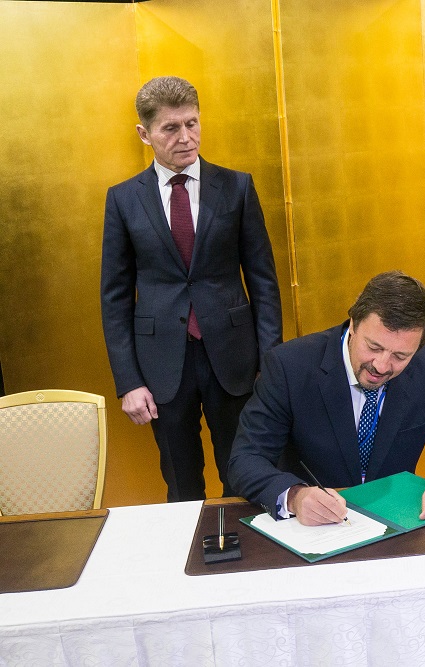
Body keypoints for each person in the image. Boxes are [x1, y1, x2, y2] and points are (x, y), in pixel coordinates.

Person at [101, 76, 282, 502]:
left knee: (244, 477)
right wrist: (128, 381)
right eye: (171, 128)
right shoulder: (123, 199)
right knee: (181, 485)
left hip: (235, 361)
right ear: (144, 133)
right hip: (162, 366)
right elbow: (114, 297)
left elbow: (264, 282)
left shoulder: (237, 187)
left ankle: (246, 546)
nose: (186, 137)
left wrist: (270, 364)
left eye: (192, 123)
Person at [228, 271, 425, 525]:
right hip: (316, 528)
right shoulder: (289, 365)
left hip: (396, 521)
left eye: (400, 356)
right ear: (353, 324)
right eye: (373, 347)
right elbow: (246, 459)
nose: (382, 366)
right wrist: (295, 497)